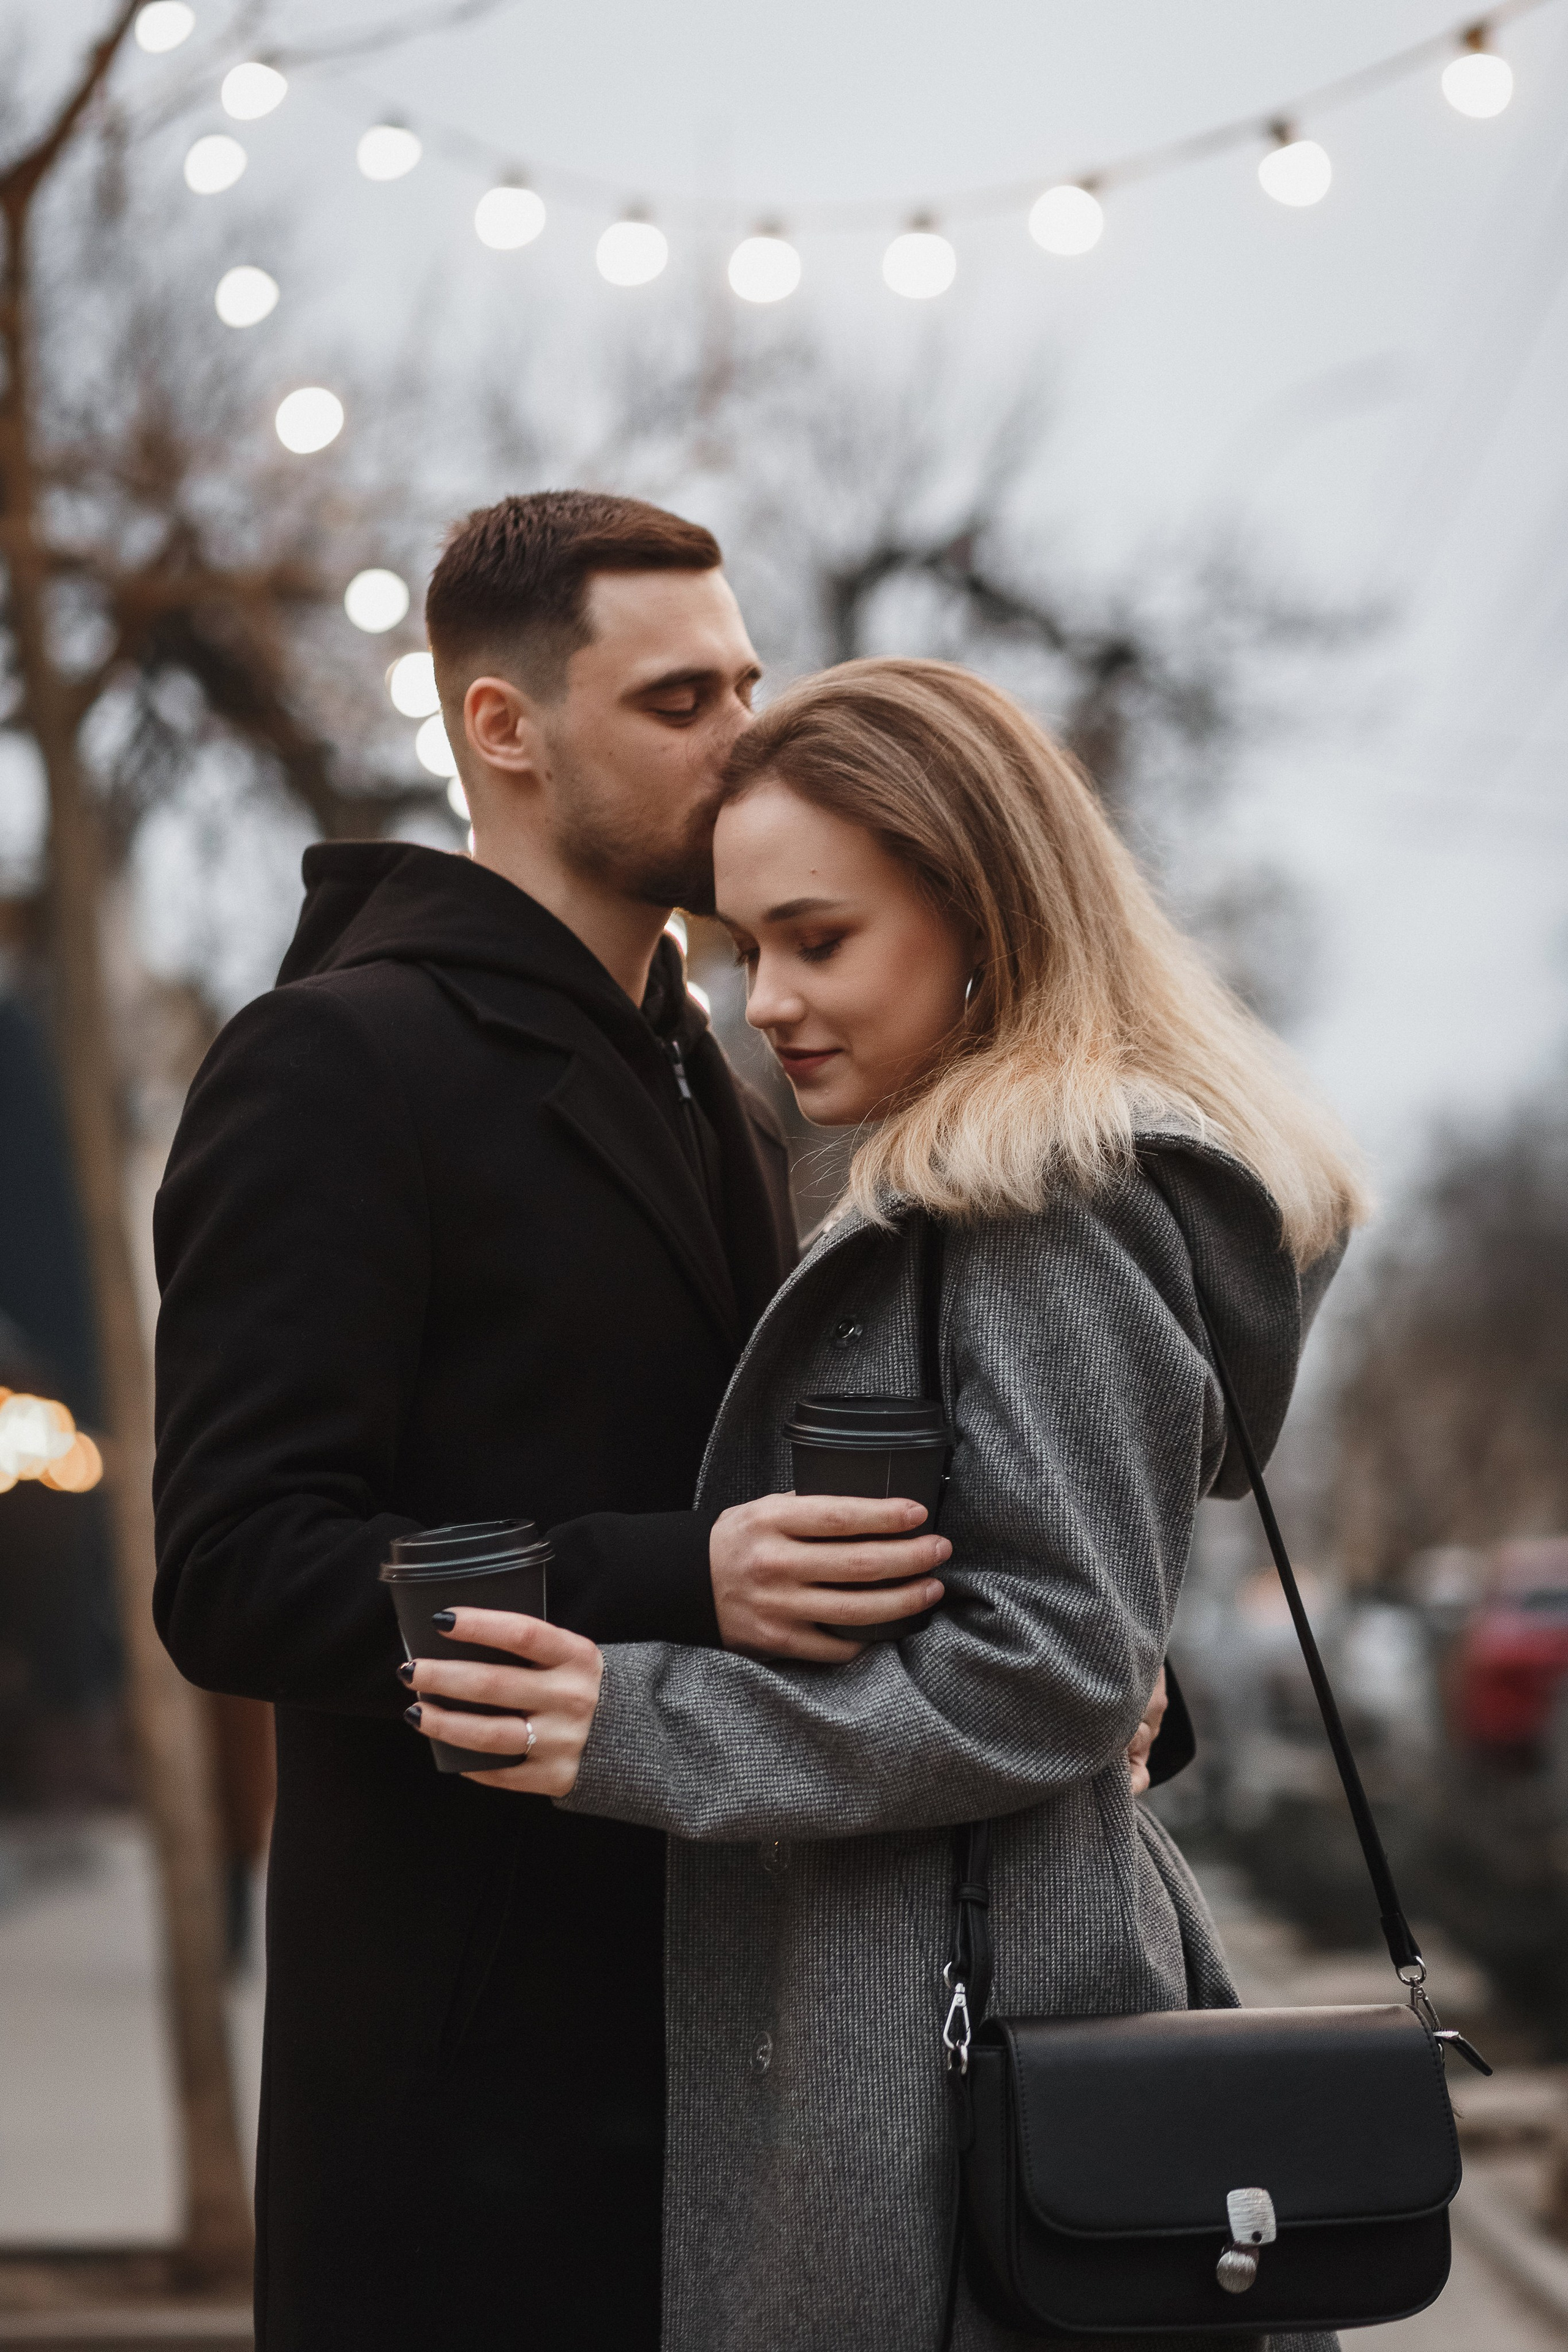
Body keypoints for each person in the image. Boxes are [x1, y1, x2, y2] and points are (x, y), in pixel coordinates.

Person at [404, 658, 1366, 2351]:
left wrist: (638, 1719)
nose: (766, 998)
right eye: (745, 944)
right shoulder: (941, 1187)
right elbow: (1085, 1638)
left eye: (819, 938)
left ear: (983, 907)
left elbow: (1052, 1666)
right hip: (908, 2028)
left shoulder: (1048, 1203)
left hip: (948, 2067)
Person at [150, 497, 952, 2351]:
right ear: (502, 731)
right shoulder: (337, 1060)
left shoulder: (731, 1084)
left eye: (749, 683)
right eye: (682, 698)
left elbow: (789, 1503)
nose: (744, 737)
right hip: (469, 2107)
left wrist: (1073, 1661)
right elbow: (238, 1572)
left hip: (736, 2054)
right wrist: (678, 1583)